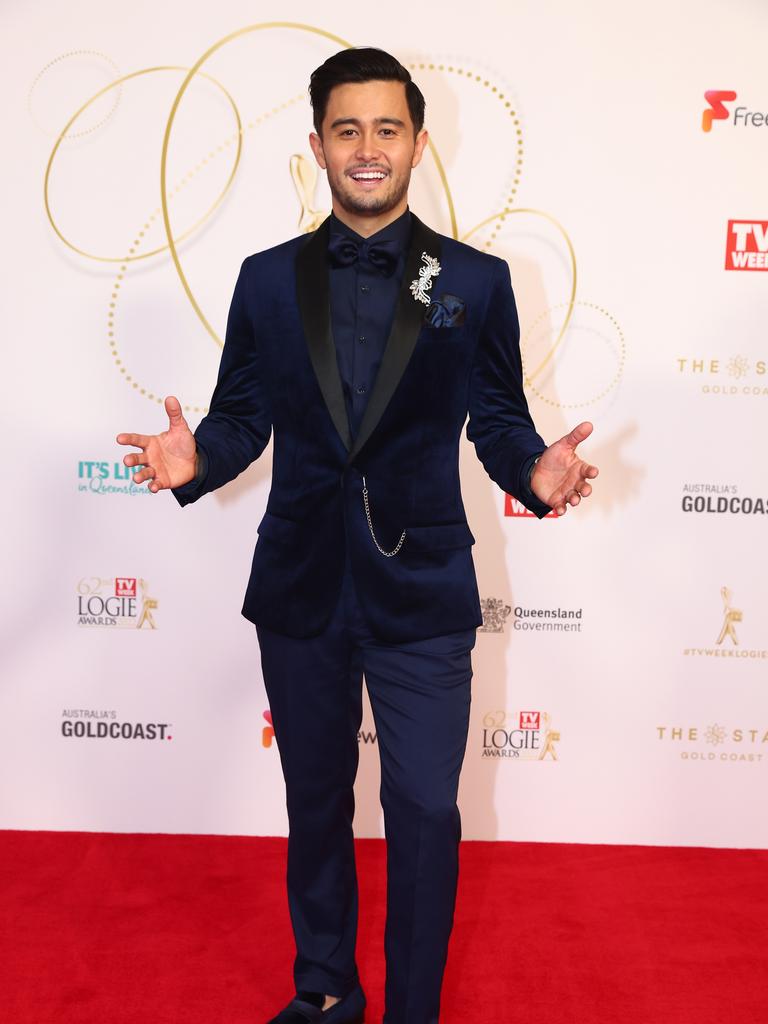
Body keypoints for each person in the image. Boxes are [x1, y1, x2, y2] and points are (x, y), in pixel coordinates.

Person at [117, 47, 598, 1024]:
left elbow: (498, 417)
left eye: (387, 129)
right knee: (316, 806)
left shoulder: (466, 280)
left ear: (418, 143)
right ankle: (327, 988)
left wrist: (534, 472)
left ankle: (413, 1010)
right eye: (348, 129)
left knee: (424, 812)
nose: (368, 149)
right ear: (318, 146)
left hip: (421, 589)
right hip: (299, 586)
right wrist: (194, 460)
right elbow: (241, 415)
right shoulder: (265, 282)